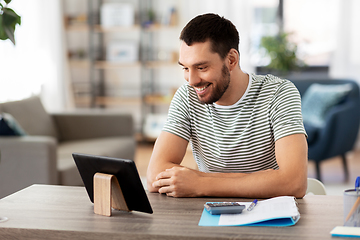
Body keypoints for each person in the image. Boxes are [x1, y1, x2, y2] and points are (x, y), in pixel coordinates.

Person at [146, 13, 308, 198]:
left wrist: (200, 182)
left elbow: (294, 182)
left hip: (270, 213)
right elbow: (154, 175)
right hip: (210, 213)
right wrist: (262, 180)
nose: (192, 80)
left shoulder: (279, 93)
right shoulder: (187, 96)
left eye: (201, 68)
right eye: (185, 68)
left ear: (231, 60)